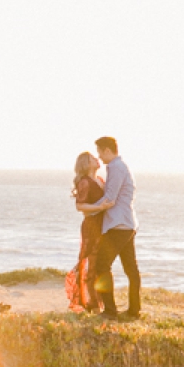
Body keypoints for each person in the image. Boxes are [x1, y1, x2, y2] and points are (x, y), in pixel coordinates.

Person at [77, 136, 140, 319]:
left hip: (119, 225)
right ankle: (134, 311)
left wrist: (89, 209)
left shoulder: (115, 167)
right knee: (130, 268)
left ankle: (110, 311)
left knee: (102, 265)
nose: (100, 157)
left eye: (99, 152)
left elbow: (110, 199)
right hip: (126, 223)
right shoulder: (120, 167)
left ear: (107, 150)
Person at [66, 151, 105, 312]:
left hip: (104, 225)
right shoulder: (84, 182)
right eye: (92, 159)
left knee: (102, 264)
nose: (97, 159)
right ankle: (92, 303)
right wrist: (100, 207)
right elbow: (80, 206)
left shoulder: (101, 180)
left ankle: (99, 301)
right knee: (92, 264)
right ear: (86, 164)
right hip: (92, 226)